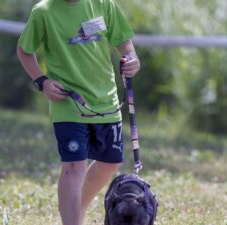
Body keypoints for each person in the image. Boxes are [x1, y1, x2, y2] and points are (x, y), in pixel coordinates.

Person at [17, 0, 140, 224]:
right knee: (74, 167)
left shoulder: (104, 4)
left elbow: (124, 43)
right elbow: (24, 51)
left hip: (106, 102)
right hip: (68, 103)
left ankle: (75, 209)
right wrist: (42, 81)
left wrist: (132, 58)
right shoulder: (43, 12)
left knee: (111, 162)